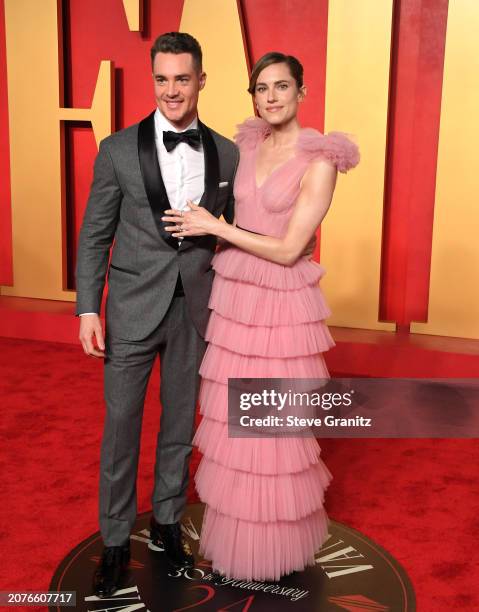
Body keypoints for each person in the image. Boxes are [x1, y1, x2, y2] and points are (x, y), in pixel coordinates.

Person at [162, 51, 360, 581]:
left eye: (281, 87)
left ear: (302, 92)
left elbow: (291, 248)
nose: (270, 97)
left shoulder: (320, 159)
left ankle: (270, 549)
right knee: (232, 427)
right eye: (261, 88)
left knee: (271, 430)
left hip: (280, 303)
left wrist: (215, 228)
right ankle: (238, 542)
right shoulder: (247, 145)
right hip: (235, 297)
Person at [75, 32, 240, 597]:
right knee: (121, 428)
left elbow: (232, 235)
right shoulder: (118, 149)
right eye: (163, 79)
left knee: (178, 423)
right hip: (129, 307)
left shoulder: (227, 151)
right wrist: (86, 309)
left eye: (183, 78)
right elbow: (95, 235)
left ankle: (168, 522)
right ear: (155, 80)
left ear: (200, 80)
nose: (172, 89)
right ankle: (117, 538)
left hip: (194, 308)